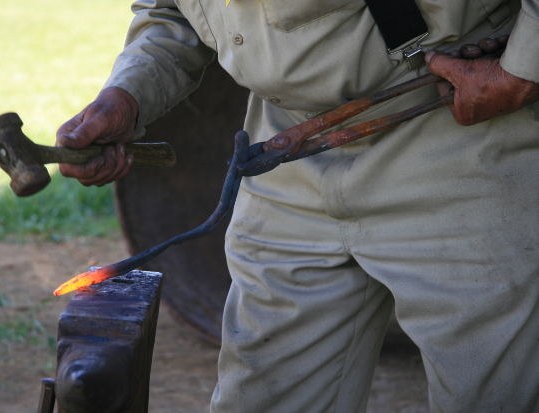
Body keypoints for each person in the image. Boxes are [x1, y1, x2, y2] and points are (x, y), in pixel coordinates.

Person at [57, 1, 539, 411]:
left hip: (457, 129)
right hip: (286, 152)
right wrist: (129, 94)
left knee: (495, 392)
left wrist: (523, 67)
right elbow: (172, 13)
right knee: (265, 391)